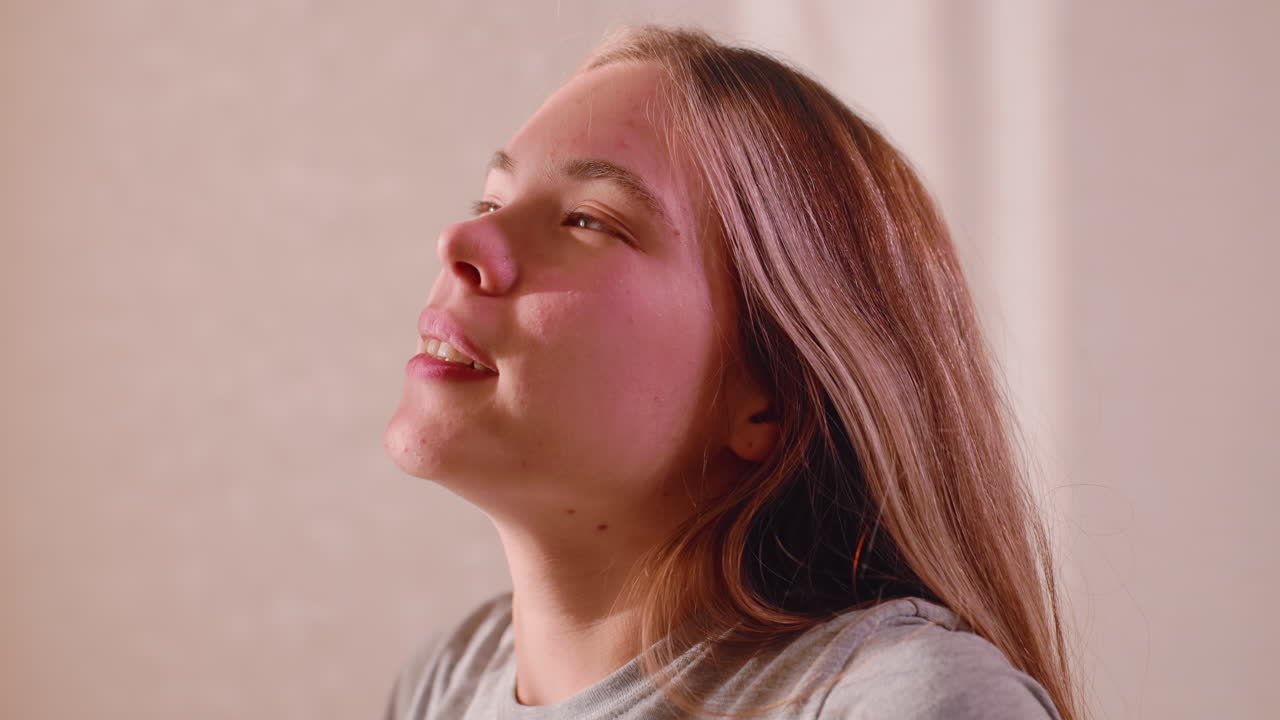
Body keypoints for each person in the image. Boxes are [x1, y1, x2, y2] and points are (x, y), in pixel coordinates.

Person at [382, 24, 1079, 720]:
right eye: (492, 203)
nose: (462, 239)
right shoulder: (448, 685)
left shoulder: (897, 701)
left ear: (767, 400)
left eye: (587, 220)